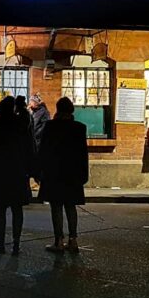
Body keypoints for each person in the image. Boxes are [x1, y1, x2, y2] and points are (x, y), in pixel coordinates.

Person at [0, 97, 34, 255]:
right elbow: (29, 149)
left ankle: (1, 243)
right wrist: (31, 170)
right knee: (17, 209)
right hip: (17, 171)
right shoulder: (21, 126)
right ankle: (16, 244)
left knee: (0, 209)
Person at [39, 96, 89, 251]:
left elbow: (43, 151)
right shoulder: (79, 128)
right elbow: (83, 154)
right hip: (73, 173)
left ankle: (58, 241)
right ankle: (73, 240)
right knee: (70, 206)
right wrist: (84, 174)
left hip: (54, 173)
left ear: (58, 109)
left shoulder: (50, 126)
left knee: (56, 207)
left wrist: (39, 171)